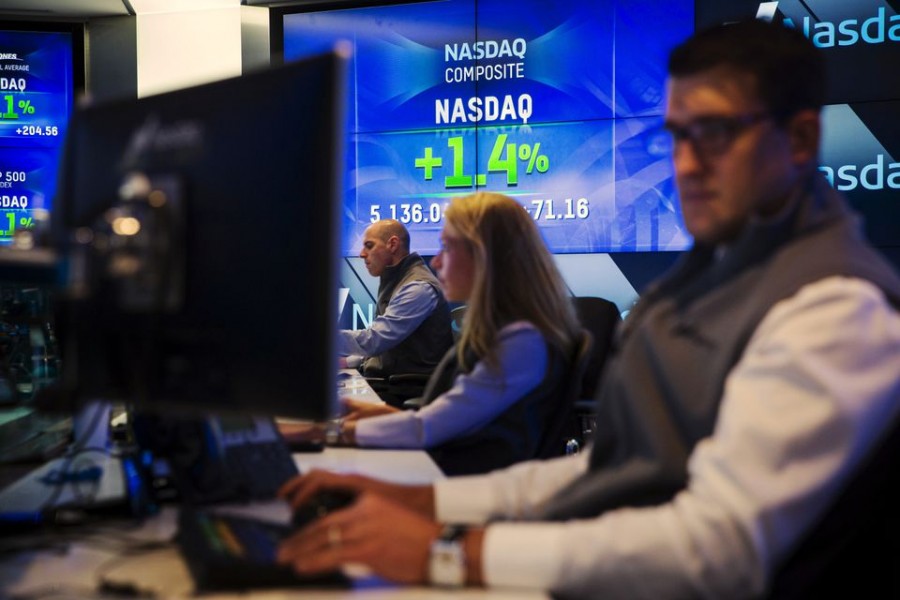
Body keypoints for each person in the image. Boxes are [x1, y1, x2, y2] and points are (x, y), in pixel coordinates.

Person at [275, 19, 900, 598]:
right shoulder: (704, 287)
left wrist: (451, 551)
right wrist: (422, 505)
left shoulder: (838, 309)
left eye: (715, 133)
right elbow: (605, 470)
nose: (685, 164)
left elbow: (716, 547)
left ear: (800, 139)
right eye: (676, 136)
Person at [292, 192, 584, 475]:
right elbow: (440, 421)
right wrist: (347, 414)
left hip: (456, 481)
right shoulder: (504, 334)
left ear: (484, 255)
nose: (437, 262)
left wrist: (324, 432)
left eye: (447, 247)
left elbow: (426, 429)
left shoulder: (521, 344)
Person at [338, 219, 454, 390]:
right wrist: (348, 361)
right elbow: (391, 350)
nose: (362, 254)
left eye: (369, 246)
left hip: (403, 390)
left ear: (392, 245)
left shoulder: (418, 288)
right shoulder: (397, 280)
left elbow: (374, 341)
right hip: (391, 382)